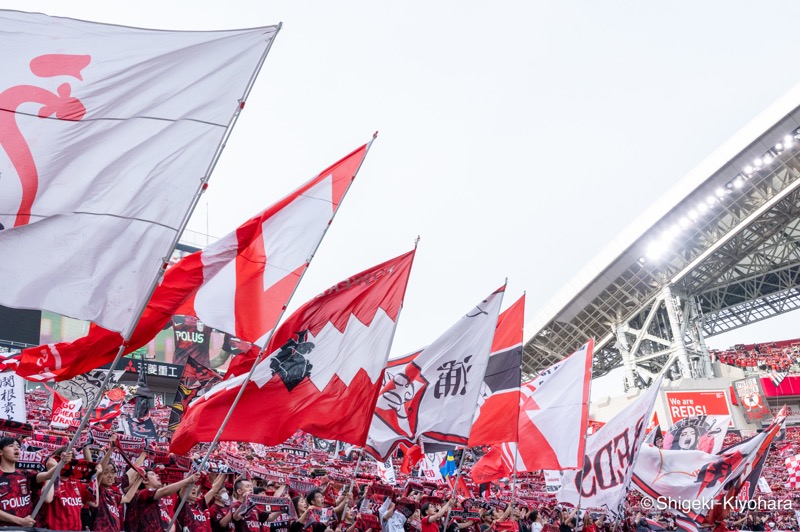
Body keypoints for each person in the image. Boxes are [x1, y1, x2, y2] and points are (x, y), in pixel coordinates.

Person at [0, 436, 60, 528]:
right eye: (11, 446)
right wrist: (20, 521)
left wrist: (62, 462)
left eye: (18, 446)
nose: (16, 448)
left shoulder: (25, 474)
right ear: (1, 452)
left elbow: (48, 475)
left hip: (27, 529)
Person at [125, 466, 200, 532]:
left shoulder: (160, 501)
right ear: (145, 481)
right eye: (153, 474)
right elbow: (165, 491)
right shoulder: (141, 494)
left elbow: (168, 521)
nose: (157, 475)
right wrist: (188, 480)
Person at [40, 446, 94, 531]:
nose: (67, 463)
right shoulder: (48, 480)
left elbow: (94, 503)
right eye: (63, 460)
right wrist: (51, 470)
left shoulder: (76, 482)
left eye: (70, 460)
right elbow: (47, 499)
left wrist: (95, 476)